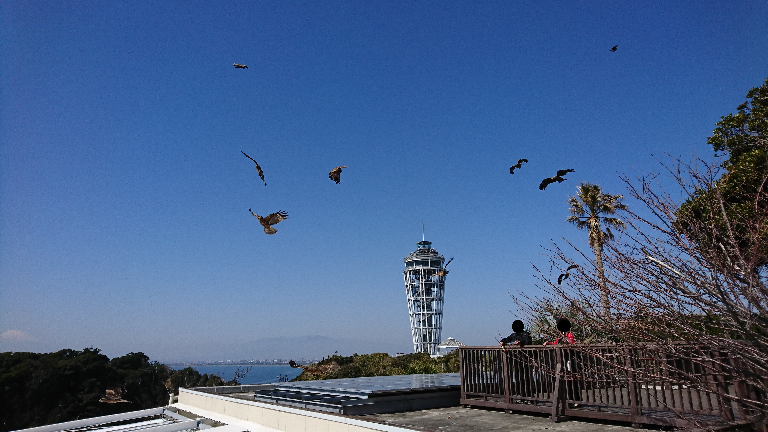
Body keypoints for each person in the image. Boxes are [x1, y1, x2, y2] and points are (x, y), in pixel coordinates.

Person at [500, 320, 533, 399]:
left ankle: (528, 396)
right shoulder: (513, 335)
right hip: (516, 359)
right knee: (518, 377)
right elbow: (508, 339)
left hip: (525, 358)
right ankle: (520, 395)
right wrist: (502, 341)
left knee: (526, 377)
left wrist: (520, 342)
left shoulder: (526, 334)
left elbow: (528, 341)